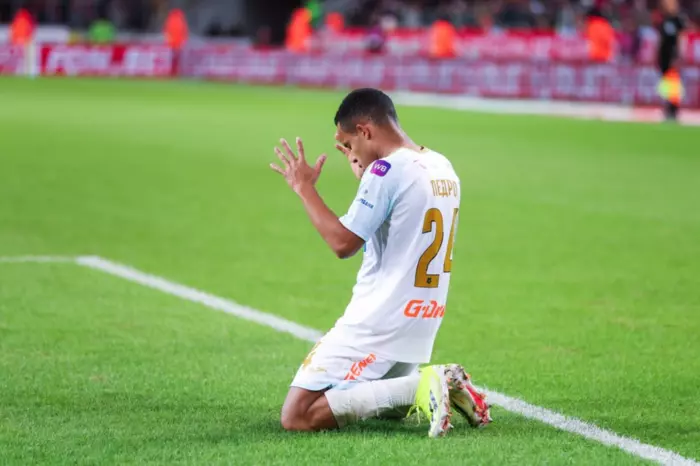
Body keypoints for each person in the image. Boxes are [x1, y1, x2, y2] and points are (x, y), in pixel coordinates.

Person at [269, 88, 491, 437]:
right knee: (377, 407)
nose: (351, 153)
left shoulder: (387, 171)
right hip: (420, 324)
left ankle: (431, 382)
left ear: (365, 130)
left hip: (378, 323)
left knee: (297, 415)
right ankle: (426, 386)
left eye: (349, 143)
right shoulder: (442, 166)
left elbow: (343, 243)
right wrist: (366, 178)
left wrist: (304, 187)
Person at [657, 0, 684, 121]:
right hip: (664, 55)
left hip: (672, 55)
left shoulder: (678, 19)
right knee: (666, 83)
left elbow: (681, 37)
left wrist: (678, 55)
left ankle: (673, 108)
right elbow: (661, 39)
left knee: (673, 82)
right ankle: (668, 107)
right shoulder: (664, 20)